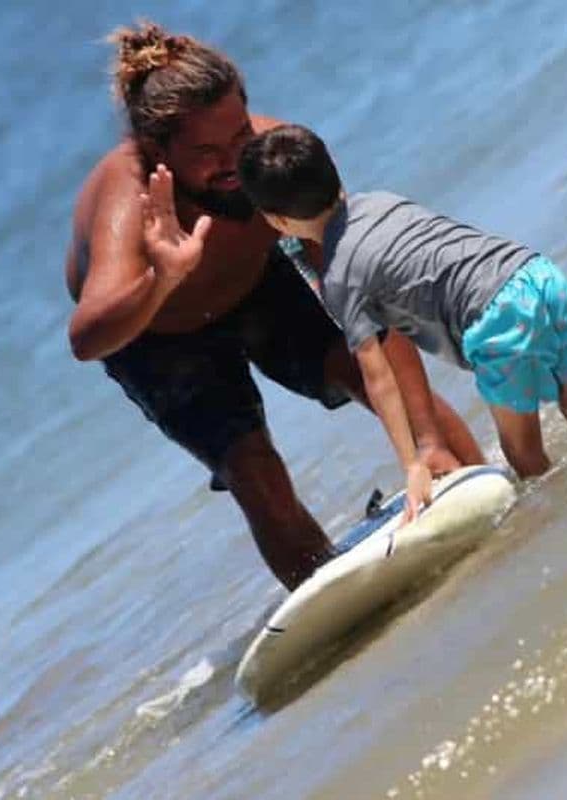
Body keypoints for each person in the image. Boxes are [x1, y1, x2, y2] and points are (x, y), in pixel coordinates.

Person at [65, 22, 485, 590]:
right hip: (156, 332)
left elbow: (366, 299)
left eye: (239, 134)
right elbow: (87, 338)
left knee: (359, 363)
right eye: (207, 152)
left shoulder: (278, 153)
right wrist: (162, 277)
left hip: (260, 283)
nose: (235, 160)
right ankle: (338, 599)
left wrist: (430, 442)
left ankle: (479, 484)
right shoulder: (127, 198)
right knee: (252, 467)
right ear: (155, 148)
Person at [238, 124, 567, 517]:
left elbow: (378, 375)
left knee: (527, 462)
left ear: (277, 222)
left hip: (496, 318)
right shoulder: (383, 201)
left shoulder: (340, 278)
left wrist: (413, 464)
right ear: (333, 166)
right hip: (535, 275)